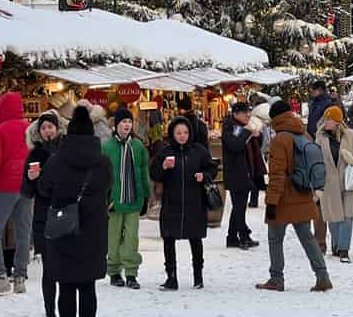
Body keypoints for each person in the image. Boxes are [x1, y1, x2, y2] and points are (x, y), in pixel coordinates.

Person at [38, 104, 111, 317]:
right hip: (93, 233)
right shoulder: (103, 163)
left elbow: (43, 188)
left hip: (64, 231)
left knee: (66, 287)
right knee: (88, 287)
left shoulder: (56, 161)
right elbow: (108, 186)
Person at [256, 100, 332, 293]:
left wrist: (271, 202)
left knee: (275, 238)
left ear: (274, 118)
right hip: (303, 193)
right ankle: (323, 276)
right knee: (308, 238)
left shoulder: (280, 139)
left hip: (284, 197)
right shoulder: (303, 133)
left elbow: (277, 175)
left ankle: (276, 278)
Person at [150, 116, 218, 291]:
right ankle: (171, 277)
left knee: (195, 240)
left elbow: (212, 168)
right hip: (171, 203)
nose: (182, 136)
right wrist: (164, 167)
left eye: (185, 132)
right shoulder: (165, 151)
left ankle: (198, 277)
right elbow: (154, 174)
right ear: (172, 133)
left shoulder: (199, 151)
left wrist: (204, 175)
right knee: (168, 240)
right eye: (178, 132)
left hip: (194, 203)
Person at [0, 91, 32, 298]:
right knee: (23, 233)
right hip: (25, 187)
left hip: (4, 187)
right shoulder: (30, 129)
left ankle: (0, 277)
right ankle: (20, 279)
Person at [21, 110, 66, 317]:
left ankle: (65, 309)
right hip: (44, 216)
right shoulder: (35, 154)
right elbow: (27, 191)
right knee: (49, 268)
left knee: (65, 268)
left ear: (57, 128)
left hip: (65, 214)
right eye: (44, 128)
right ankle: (49, 311)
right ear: (39, 132)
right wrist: (30, 179)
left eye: (50, 127)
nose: (48, 131)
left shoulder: (66, 150)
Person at [101, 108, 151, 290]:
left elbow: (144, 172)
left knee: (131, 238)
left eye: (129, 121)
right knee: (113, 238)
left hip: (134, 200)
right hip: (114, 201)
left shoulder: (138, 147)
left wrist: (146, 195)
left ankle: (131, 273)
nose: (127, 125)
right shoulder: (107, 147)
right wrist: (104, 198)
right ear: (116, 125)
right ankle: (114, 271)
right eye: (123, 121)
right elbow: (101, 176)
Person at [316, 105, 353, 263]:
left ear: (337, 121)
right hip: (328, 183)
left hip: (348, 181)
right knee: (333, 216)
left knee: (347, 216)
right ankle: (336, 245)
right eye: (325, 119)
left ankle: (344, 250)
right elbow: (316, 160)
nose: (326, 122)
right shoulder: (320, 137)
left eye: (329, 119)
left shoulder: (351, 135)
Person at [221, 102, 264, 250]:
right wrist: (247, 132)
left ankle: (232, 238)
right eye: (245, 113)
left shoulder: (243, 126)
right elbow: (235, 145)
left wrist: (257, 135)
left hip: (246, 172)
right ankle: (243, 236)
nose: (248, 115)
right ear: (235, 114)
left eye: (248, 112)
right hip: (236, 173)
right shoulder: (230, 127)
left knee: (238, 207)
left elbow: (256, 145)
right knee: (239, 207)